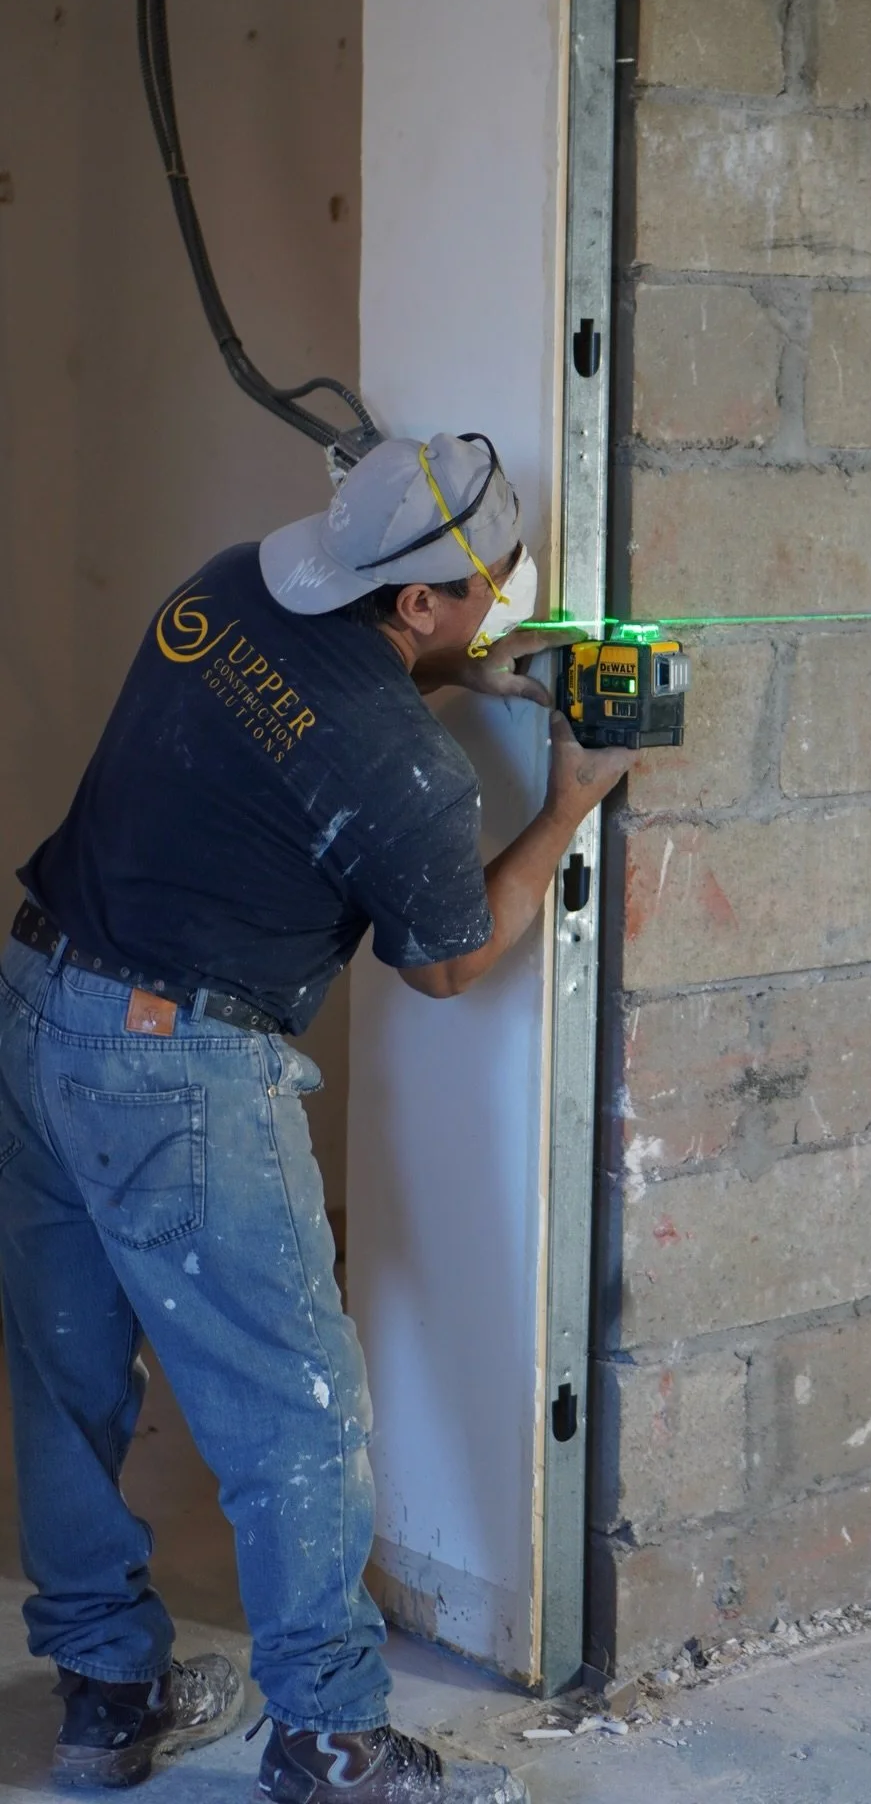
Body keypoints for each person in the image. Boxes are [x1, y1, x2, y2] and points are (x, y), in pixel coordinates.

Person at [0, 433, 629, 1801]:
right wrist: (572, 800)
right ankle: (332, 1738)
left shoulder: (224, 588)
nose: (498, 613)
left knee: (65, 1373)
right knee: (297, 1412)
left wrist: (472, 670)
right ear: (417, 599)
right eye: (488, 597)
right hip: (176, 1071)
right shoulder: (406, 778)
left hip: (36, 1004)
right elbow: (452, 961)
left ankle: (108, 1697)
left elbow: (313, 690)